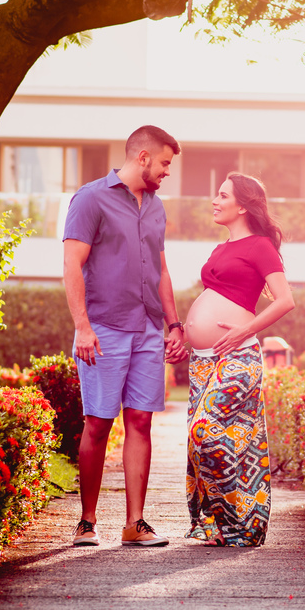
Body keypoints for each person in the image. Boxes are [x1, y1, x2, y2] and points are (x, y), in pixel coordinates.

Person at [62, 125, 186, 548]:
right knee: (97, 423)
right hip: (103, 329)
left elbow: (161, 269)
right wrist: (82, 325)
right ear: (144, 157)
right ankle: (87, 521)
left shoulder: (156, 207)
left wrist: (173, 324)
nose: (168, 171)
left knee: (140, 421)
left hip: (148, 329)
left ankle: (135, 523)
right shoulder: (91, 198)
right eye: (166, 163)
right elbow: (72, 264)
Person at [174, 172, 295, 546]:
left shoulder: (260, 246)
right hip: (202, 360)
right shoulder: (219, 248)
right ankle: (219, 525)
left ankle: (242, 521)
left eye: (222, 195)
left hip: (238, 355)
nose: (215, 200)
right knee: (200, 444)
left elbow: (285, 300)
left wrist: (246, 330)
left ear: (242, 204)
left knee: (205, 430)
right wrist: (184, 333)